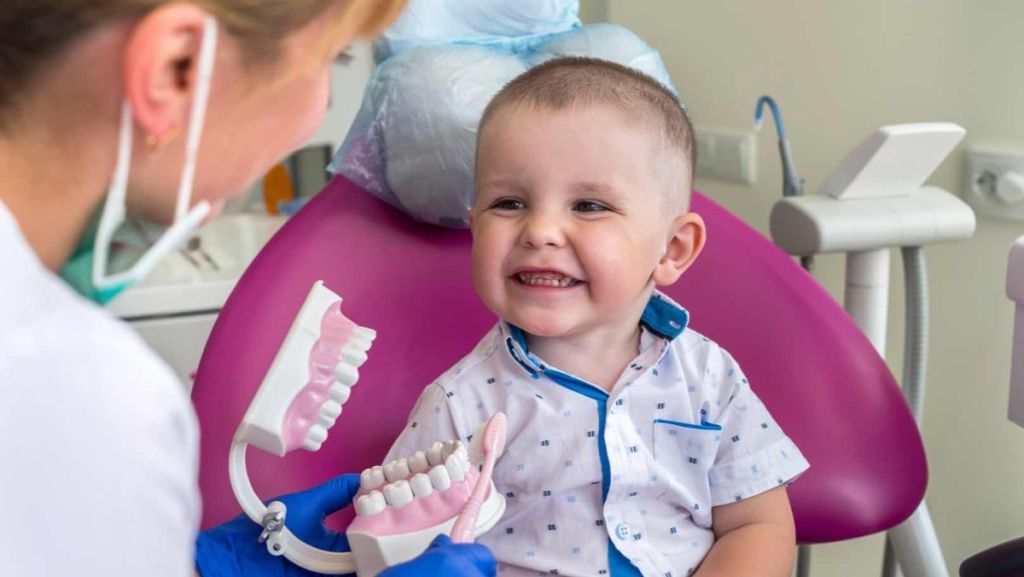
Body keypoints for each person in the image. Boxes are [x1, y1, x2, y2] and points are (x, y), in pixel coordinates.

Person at [0, 2, 493, 576]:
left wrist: (200, 562)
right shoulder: (77, 393)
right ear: (177, 67)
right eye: (334, 58)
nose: (321, 110)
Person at [384, 57, 810, 577]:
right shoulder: (459, 405)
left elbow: (757, 525)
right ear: (475, 228)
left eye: (588, 206)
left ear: (672, 249)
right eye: (509, 202)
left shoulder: (709, 379)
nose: (540, 231)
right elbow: (400, 549)